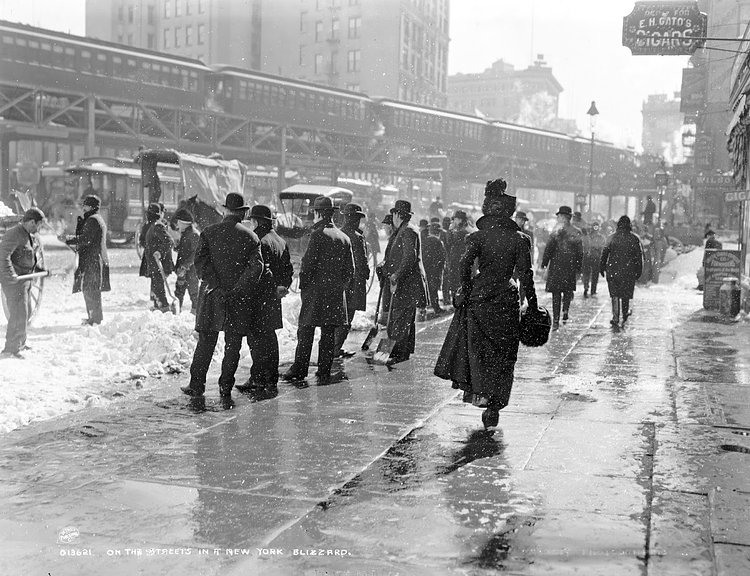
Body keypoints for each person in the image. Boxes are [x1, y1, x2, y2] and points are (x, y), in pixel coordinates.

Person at [435, 178, 537, 429]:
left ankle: (480, 392)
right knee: (504, 356)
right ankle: (495, 405)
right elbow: (526, 275)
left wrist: (467, 289)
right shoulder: (520, 239)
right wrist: (532, 306)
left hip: (480, 300)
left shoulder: (479, 238)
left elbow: (464, 265)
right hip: (506, 300)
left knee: (479, 353)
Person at [181, 193, 265, 401]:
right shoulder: (251, 237)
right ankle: (225, 386)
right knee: (233, 344)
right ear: (244, 213)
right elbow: (257, 267)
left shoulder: (209, 232)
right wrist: (237, 289)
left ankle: (196, 385)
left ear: (225, 210)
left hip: (211, 297)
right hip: (237, 299)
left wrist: (216, 286)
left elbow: (200, 263)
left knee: (206, 343)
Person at [282, 196, 354, 384]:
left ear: (318, 213)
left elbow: (307, 266)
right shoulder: (344, 238)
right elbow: (350, 271)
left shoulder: (317, 235)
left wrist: (305, 287)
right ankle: (324, 369)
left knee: (306, 331)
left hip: (315, 294)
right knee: (328, 333)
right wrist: (337, 287)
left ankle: (300, 368)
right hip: (335, 295)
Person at [235, 204, 293, 397]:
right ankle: (271, 377)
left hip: (258, 299)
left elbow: (256, 272)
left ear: (256, 221)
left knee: (256, 339)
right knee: (269, 338)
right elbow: (288, 271)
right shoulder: (280, 241)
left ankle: (258, 378)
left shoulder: (257, 240)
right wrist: (282, 286)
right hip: (273, 299)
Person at [380, 200, 428, 364]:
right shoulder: (403, 230)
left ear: (396, 215)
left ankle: (397, 353)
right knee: (403, 318)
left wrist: (396, 275)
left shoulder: (408, 231)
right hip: (406, 284)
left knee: (400, 318)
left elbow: (409, 258)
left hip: (406, 284)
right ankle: (402, 352)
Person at [0, 208, 45, 358]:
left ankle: (21, 342)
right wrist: (10, 273)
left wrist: (40, 269)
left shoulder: (27, 235)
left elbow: (27, 258)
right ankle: (10, 349)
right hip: (14, 282)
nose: (38, 229)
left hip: (25, 279)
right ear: (32, 222)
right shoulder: (14, 234)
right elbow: (3, 256)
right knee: (18, 313)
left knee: (25, 312)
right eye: (37, 225)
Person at [65, 195, 110, 325]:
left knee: (90, 289)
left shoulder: (92, 220)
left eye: (84, 205)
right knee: (91, 289)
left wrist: (69, 238)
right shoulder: (97, 218)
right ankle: (93, 317)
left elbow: (86, 239)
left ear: (89, 206)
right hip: (95, 259)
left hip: (92, 260)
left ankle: (95, 319)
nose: (82, 208)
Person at [334, 203, 370, 358]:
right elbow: (361, 262)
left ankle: (334, 348)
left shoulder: (340, 233)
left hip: (342, 283)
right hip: (354, 283)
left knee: (341, 316)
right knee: (348, 317)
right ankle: (336, 349)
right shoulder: (357, 237)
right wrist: (367, 272)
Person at [541, 206, 583, 329]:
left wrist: (544, 263)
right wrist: (578, 267)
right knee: (568, 291)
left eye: (559, 216)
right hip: (570, 266)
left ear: (562, 217)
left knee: (556, 293)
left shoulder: (556, 231)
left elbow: (549, 248)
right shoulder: (576, 231)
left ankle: (555, 320)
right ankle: (565, 310)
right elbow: (580, 252)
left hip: (556, 266)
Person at [600, 216, 644, 327]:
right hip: (628, 272)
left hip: (613, 270)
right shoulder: (634, 239)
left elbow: (604, 253)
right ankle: (624, 313)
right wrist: (638, 271)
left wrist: (602, 267)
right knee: (625, 294)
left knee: (614, 294)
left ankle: (615, 317)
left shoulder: (611, 238)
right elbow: (638, 257)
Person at [145, 204, 174, 312]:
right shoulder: (153, 225)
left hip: (158, 263)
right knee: (157, 287)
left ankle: (165, 309)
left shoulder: (157, 226)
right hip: (154, 264)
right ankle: (159, 307)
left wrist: (160, 252)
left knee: (159, 287)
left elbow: (169, 241)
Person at [173, 208, 200, 314]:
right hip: (183, 269)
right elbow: (185, 249)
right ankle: (176, 311)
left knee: (193, 292)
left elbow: (195, 254)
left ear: (184, 223)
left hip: (191, 270)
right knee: (179, 290)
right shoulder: (186, 233)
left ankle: (196, 313)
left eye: (178, 222)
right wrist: (177, 246)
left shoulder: (193, 234)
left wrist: (185, 266)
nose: (177, 225)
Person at [444, 210, 470, 307]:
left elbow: (450, 242)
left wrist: (450, 231)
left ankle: (458, 303)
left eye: (454, 219)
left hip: (459, 262)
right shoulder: (461, 231)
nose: (453, 222)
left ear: (459, 220)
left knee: (457, 283)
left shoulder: (463, 232)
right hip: (456, 261)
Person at [422, 221, 447, 315]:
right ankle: (436, 308)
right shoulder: (438, 241)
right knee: (434, 289)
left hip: (427, 268)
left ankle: (427, 307)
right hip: (435, 269)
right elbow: (442, 256)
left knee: (428, 288)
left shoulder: (425, 240)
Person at [581, 220, 606, 298]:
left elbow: (602, 247)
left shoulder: (600, 237)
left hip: (594, 257)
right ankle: (588, 288)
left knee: (591, 274)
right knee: (589, 274)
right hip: (592, 257)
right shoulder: (589, 236)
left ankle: (590, 289)